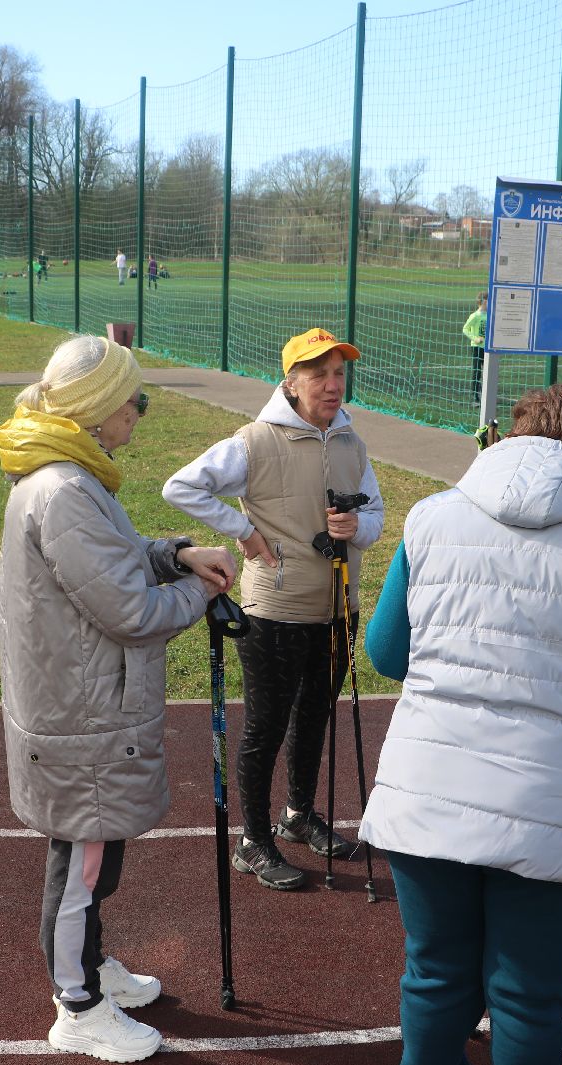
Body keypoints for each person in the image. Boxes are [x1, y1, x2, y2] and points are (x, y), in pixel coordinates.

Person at [360, 383, 562, 1065]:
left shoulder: (431, 517)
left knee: (436, 975)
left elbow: (388, 651)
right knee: (528, 996)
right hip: (553, 796)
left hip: (431, 786)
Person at [0, 334, 237, 1063]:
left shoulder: (72, 476)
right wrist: (201, 587)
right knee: (83, 864)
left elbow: (114, 555)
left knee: (94, 858)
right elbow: (131, 611)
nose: (140, 412)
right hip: (82, 714)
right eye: (135, 401)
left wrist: (174, 554)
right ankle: (76, 1004)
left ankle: (91, 966)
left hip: (84, 705)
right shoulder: (64, 488)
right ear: (100, 411)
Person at [163, 327, 384, 890]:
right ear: (290, 382)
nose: (332, 386)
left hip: (337, 609)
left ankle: (298, 815)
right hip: (275, 611)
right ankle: (254, 841)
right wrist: (243, 529)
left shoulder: (352, 444)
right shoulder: (254, 440)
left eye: (339, 374)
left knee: (315, 717)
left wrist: (358, 527)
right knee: (264, 728)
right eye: (318, 375)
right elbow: (181, 487)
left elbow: (377, 517)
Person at [461, 291, 487, 400]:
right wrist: (475, 339)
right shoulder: (475, 316)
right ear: (484, 302)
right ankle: (475, 396)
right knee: (477, 371)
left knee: (488, 372)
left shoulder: (490, 314)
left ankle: (486, 394)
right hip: (477, 348)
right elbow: (465, 329)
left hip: (487, 348)